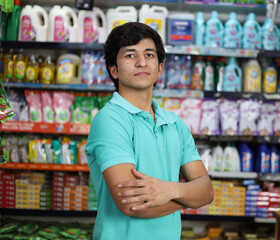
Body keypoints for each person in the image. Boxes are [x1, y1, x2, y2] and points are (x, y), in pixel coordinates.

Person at [85, 22, 214, 240]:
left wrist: (169, 190)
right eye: (129, 55)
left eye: (149, 55)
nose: (141, 62)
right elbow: (132, 205)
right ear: (113, 70)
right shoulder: (109, 120)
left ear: (160, 68)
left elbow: (207, 191)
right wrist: (187, 196)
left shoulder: (176, 124)